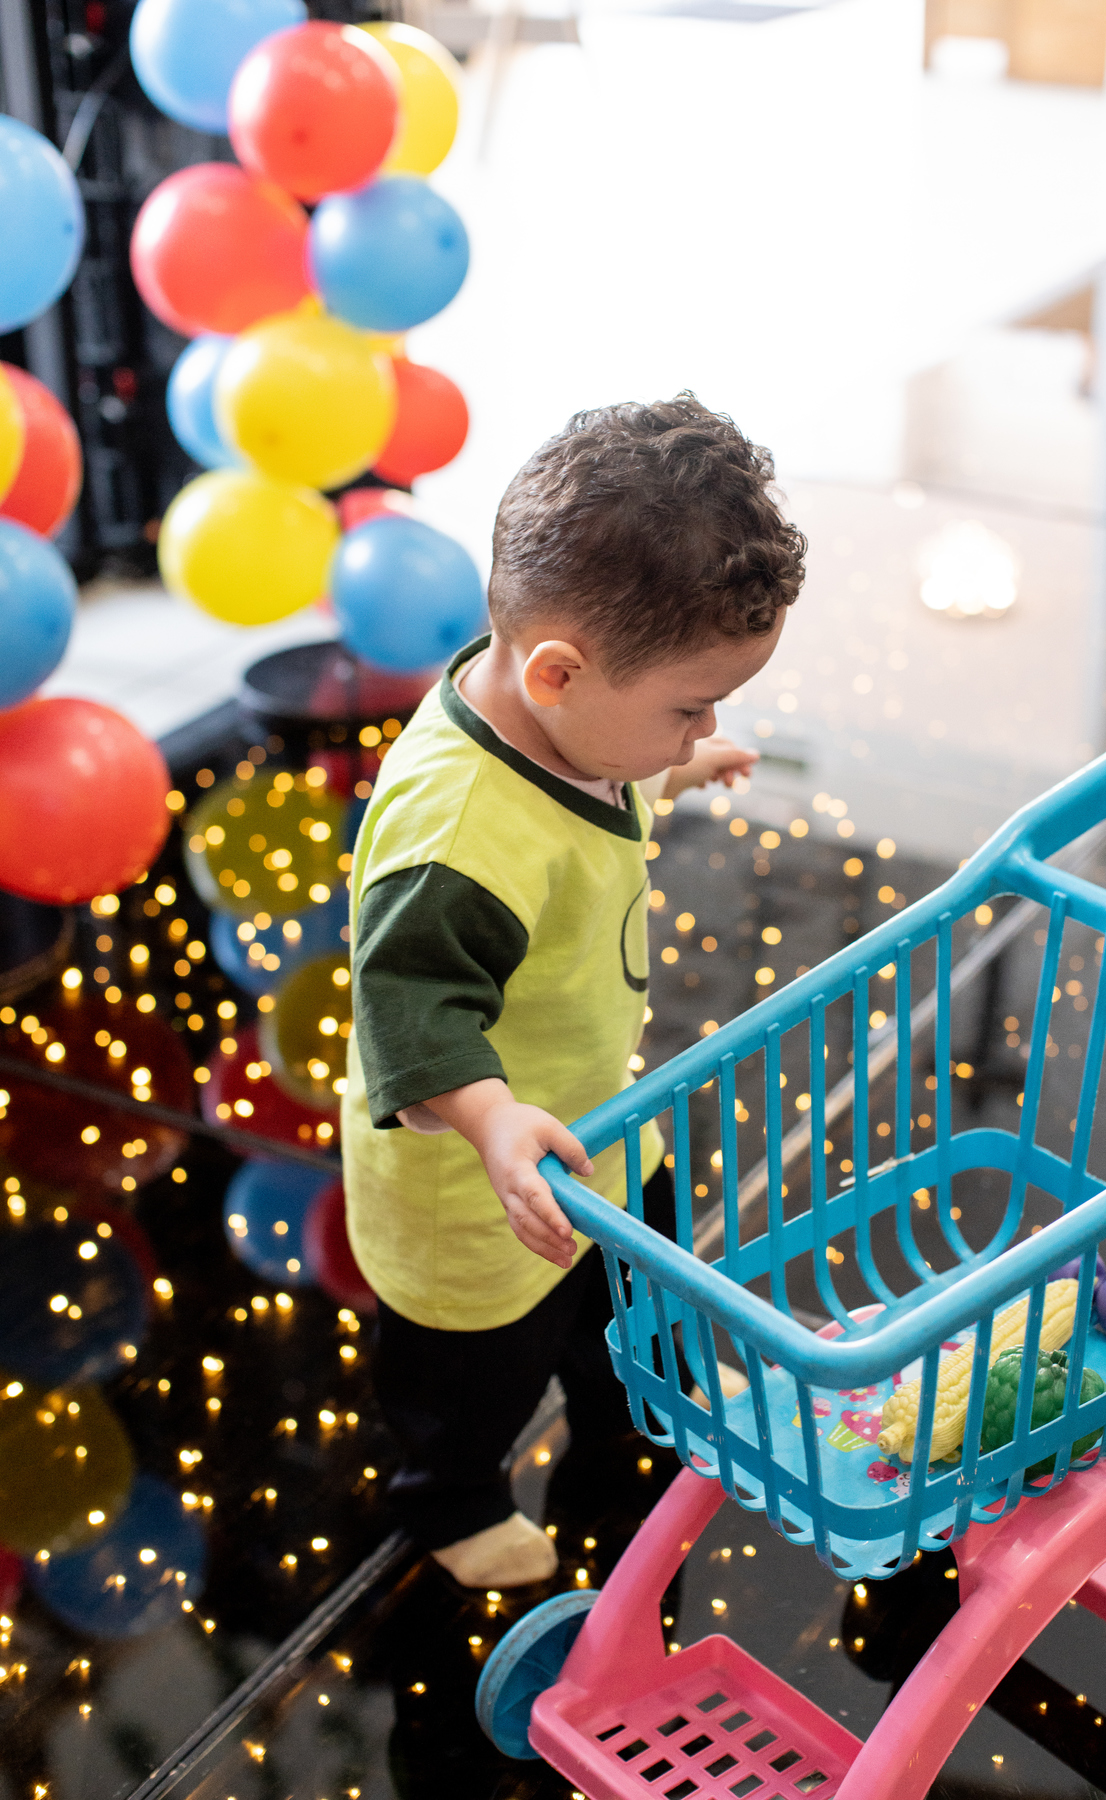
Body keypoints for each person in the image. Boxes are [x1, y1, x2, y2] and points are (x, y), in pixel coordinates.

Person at [342, 394, 807, 1587]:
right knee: (474, 1370)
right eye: (687, 707)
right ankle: (445, 1502)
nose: (703, 725)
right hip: (475, 1174)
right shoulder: (456, 835)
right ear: (557, 671)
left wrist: (675, 762)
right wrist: (493, 1125)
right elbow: (411, 1009)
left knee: (631, 1281)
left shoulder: (560, 719)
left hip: (589, 1111)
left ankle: (645, 1400)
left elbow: (597, 771)